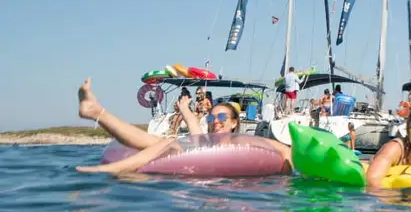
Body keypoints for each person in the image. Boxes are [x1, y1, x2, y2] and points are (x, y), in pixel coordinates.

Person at [74, 78, 292, 175]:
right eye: (211, 118)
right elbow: (195, 132)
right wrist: (186, 110)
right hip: (196, 179)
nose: (215, 121)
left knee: (167, 143)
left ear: (235, 122)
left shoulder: (247, 143)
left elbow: (285, 152)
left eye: (222, 116)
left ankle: (98, 115)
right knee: (167, 143)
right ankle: (97, 113)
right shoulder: (205, 141)